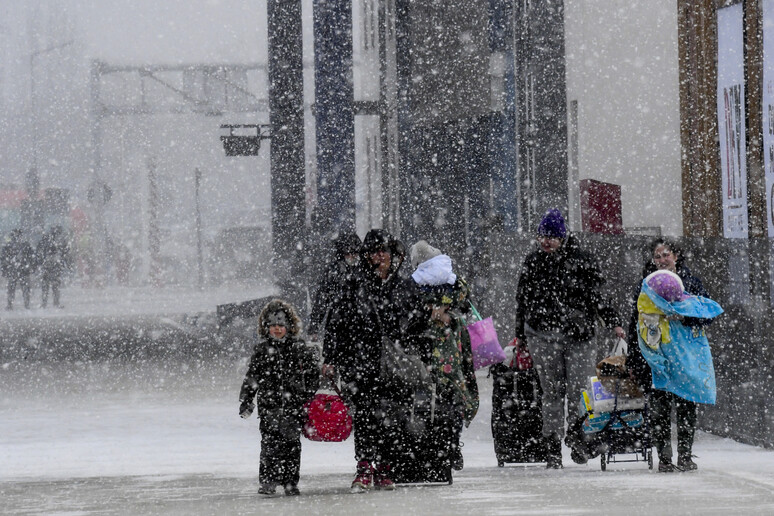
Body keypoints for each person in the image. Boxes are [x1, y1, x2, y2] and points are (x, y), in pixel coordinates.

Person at [514, 208, 625, 469]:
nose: (545, 241)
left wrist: (613, 321)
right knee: (551, 392)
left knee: (580, 391)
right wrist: (520, 334)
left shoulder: (582, 260)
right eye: (542, 236)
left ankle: (579, 438)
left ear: (562, 237)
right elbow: (523, 300)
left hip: (579, 336)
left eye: (551, 236)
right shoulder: (533, 262)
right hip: (542, 335)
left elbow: (598, 295)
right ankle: (552, 446)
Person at [322, 229, 423, 491]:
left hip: (393, 366)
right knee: (366, 417)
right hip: (360, 362)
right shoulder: (353, 285)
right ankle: (365, 466)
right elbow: (336, 324)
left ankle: (385, 467)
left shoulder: (403, 286)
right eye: (375, 251)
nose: (380, 256)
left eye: (384, 251)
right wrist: (330, 358)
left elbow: (415, 323)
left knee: (391, 418)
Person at [626, 238, 716, 472]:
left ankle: (685, 455)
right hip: (656, 355)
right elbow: (634, 323)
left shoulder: (690, 283)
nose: (662, 259)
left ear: (676, 256)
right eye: (657, 256)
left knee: (686, 405)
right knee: (659, 409)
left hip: (685, 355)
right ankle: (664, 459)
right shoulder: (645, 287)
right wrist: (634, 358)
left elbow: (706, 313)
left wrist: (683, 317)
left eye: (666, 254)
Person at [409, 239, 479, 471]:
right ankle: (451, 446)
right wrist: (446, 310)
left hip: (423, 348)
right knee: (452, 395)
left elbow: (408, 309)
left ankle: (426, 447)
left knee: (423, 397)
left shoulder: (414, 283)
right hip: (450, 346)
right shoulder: (455, 280)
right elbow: (466, 304)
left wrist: (430, 311)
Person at [238, 299, 320, 496]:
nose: (276, 329)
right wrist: (246, 400)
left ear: (289, 327)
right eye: (273, 325)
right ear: (266, 328)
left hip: (293, 406)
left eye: (280, 325)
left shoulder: (299, 349)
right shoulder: (262, 350)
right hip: (269, 407)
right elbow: (252, 377)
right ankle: (268, 481)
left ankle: (290, 481)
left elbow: (312, 374)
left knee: (292, 445)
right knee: (269, 446)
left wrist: (307, 394)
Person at [307, 232, 362, 341]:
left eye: (355, 252)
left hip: (360, 325)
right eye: (348, 253)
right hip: (338, 324)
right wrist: (314, 327)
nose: (352, 256)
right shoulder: (333, 272)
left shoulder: (364, 271)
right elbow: (322, 300)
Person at [36, 225, 72, 308]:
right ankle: (54, 303)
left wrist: (40, 262)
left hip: (49, 264)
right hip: (55, 264)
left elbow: (39, 251)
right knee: (54, 285)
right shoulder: (60, 241)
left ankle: (45, 303)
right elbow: (65, 253)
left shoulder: (47, 239)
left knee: (46, 285)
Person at [1, 229, 36, 310]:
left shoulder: (9, 246)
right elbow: (31, 258)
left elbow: (3, 259)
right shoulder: (24, 245)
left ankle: (12, 305)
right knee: (22, 289)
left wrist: (5, 270)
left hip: (16, 270)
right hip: (21, 270)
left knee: (13, 289)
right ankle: (24, 305)